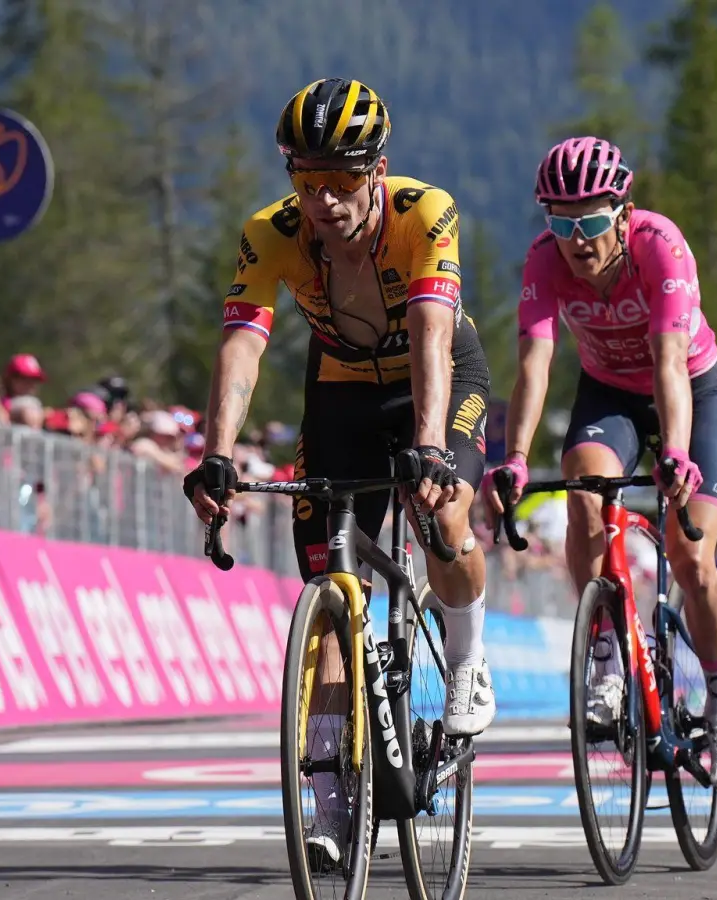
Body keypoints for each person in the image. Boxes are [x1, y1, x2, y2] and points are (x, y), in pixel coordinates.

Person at [182, 77, 496, 862]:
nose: (323, 199)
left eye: (342, 180)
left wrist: (428, 449)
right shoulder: (271, 231)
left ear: (378, 169)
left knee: (442, 516)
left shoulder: (427, 211)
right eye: (305, 177)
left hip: (439, 375)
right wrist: (217, 453)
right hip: (342, 389)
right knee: (330, 596)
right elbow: (243, 345)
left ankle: (466, 663)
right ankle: (328, 802)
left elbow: (431, 334)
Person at [484, 136, 717, 789]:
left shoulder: (661, 247)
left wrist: (679, 454)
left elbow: (669, 365)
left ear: (622, 212)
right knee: (583, 486)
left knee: (690, 558)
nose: (577, 238)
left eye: (592, 221)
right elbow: (535, 365)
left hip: (688, 388)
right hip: (609, 395)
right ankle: (605, 649)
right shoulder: (545, 262)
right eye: (561, 222)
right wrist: (514, 458)